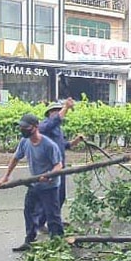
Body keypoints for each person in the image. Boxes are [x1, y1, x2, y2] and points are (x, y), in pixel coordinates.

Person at [0, 113, 63, 252]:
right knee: (29, 211)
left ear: (36, 127)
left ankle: (58, 244)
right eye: (21, 127)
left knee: (52, 215)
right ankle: (29, 241)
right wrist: (6, 176)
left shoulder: (48, 145)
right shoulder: (24, 142)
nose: (23, 129)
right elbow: (15, 158)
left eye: (26, 127)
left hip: (50, 186)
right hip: (34, 184)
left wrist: (48, 175)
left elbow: (58, 165)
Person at [35, 98, 83, 231]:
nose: (57, 113)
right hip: (49, 168)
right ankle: (41, 222)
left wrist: (75, 141)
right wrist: (66, 107)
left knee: (60, 196)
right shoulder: (44, 126)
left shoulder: (58, 130)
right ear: (49, 113)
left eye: (58, 110)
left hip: (60, 167)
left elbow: (64, 145)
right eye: (54, 111)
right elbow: (53, 122)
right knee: (50, 197)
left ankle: (55, 220)